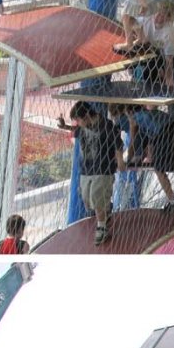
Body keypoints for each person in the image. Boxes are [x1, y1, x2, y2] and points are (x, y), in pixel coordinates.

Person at [57, 100, 125, 246]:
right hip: (86, 170)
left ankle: (102, 227)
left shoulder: (106, 126)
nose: (78, 124)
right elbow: (76, 131)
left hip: (103, 169)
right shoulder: (83, 127)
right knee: (88, 201)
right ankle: (106, 211)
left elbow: (118, 143)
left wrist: (120, 160)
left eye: (79, 120)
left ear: (87, 115)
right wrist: (64, 126)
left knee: (96, 197)